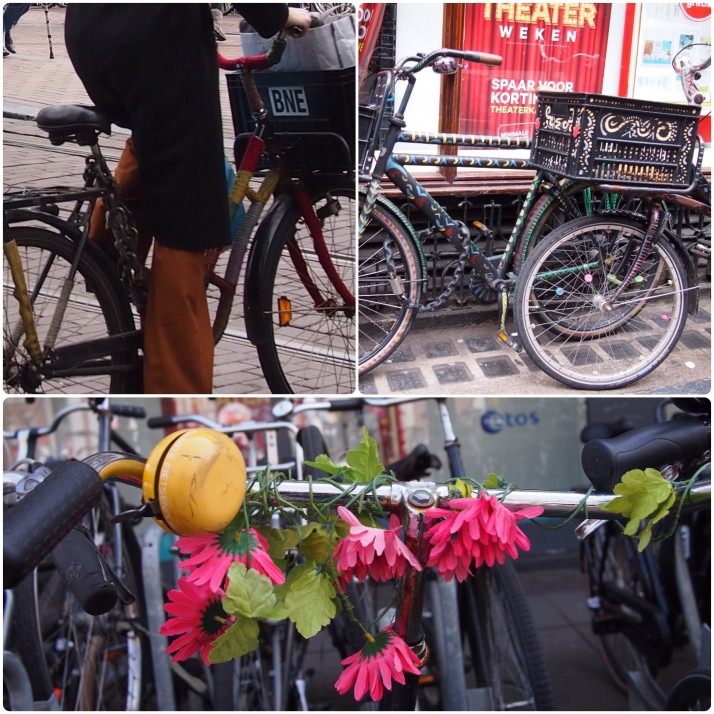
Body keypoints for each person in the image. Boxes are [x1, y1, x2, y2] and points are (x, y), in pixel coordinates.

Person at [64, 4, 311, 394]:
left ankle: (103, 253)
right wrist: (280, 18)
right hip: (156, 39)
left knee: (158, 142)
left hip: (89, 32)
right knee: (187, 225)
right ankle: (178, 394)